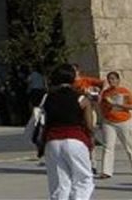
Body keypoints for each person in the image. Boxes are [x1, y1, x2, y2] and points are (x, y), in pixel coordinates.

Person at [40, 64, 95, 200]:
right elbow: (89, 124)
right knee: (83, 179)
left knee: (59, 183)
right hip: (75, 139)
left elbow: (44, 120)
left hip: (52, 141)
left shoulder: (47, 98)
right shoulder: (81, 98)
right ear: (72, 78)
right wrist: (92, 138)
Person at [96, 71, 132, 179]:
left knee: (129, 144)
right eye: (109, 79)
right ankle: (106, 171)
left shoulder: (124, 91)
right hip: (109, 122)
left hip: (123, 121)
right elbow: (101, 107)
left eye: (113, 79)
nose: (111, 81)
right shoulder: (105, 93)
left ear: (118, 80)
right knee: (108, 146)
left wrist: (117, 104)